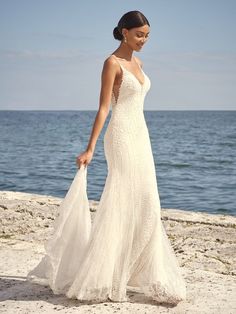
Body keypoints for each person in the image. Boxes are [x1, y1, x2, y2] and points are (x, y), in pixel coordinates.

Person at [27, 10, 187, 305]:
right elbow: (103, 108)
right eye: (139, 35)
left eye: (148, 36)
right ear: (124, 32)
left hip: (141, 136)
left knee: (149, 201)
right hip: (121, 136)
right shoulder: (111, 63)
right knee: (121, 200)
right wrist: (89, 148)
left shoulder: (138, 63)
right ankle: (110, 277)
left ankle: (136, 272)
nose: (144, 41)